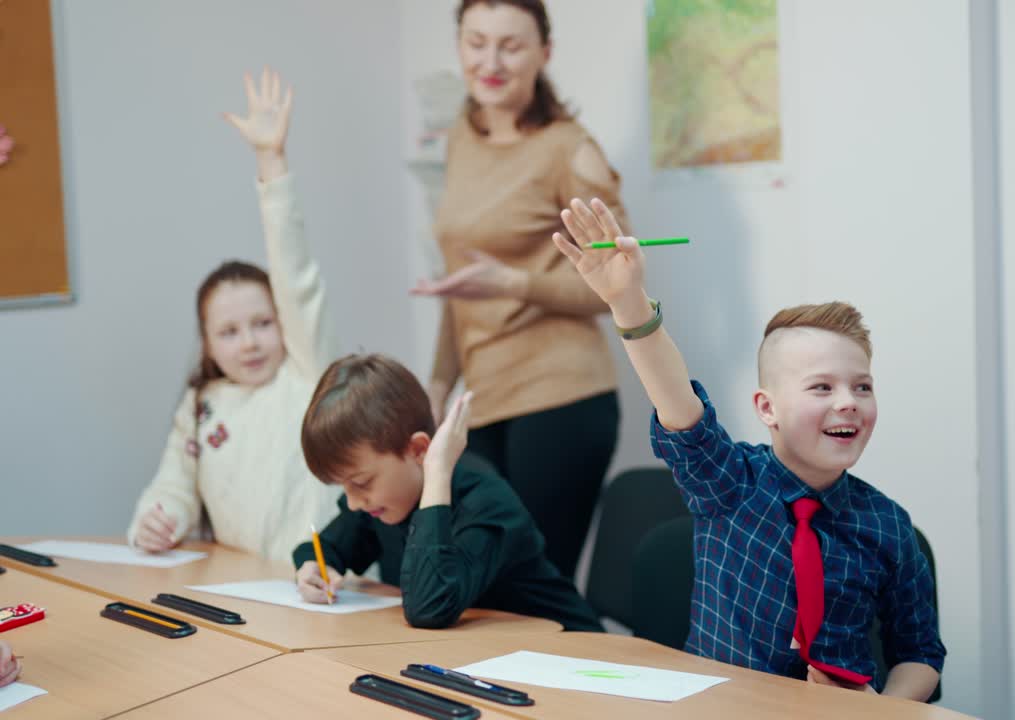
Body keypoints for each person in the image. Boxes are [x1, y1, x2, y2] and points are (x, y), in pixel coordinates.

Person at [548, 199, 945, 698]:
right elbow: (677, 403)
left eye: (862, 387)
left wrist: (881, 709)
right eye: (822, 388)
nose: (848, 402)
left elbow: (921, 654)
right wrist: (628, 302)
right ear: (767, 408)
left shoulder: (887, 524)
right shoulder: (730, 482)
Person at [411, 0, 627, 578]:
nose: (491, 61)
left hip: (561, 398)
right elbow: (462, 288)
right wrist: (436, 386)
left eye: (511, 45)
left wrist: (513, 282)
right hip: (483, 400)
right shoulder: (461, 137)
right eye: (476, 42)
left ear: (544, 53)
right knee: (480, 588)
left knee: (531, 591)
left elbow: (616, 285)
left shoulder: (569, 146)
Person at [126, 69, 340, 563]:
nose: (249, 343)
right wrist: (157, 520)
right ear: (206, 344)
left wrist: (271, 159)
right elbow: (173, 485)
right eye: (228, 332)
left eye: (263, 324)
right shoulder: (203, 405)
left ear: (286, 324)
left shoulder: (310, 377)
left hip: (328, 588)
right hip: (245, 594)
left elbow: (295, 274)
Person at [291, 353, 604, 632]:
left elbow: (429, 608)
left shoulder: (486, 501)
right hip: (494, 660)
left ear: (418, 449)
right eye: (343, 486)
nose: (354, 502)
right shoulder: (381, 503)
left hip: (575, 657)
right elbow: (324, 547)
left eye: (360, 483)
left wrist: (437, 474)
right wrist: (314, 568)